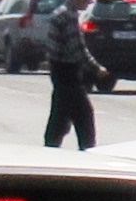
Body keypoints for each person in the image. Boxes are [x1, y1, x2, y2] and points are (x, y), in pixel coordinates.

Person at [42, 14, 113, 150]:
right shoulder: (69, 18)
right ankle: (87, 149)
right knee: (84, 115)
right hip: (68, 72)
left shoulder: (61, 14)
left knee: (60, 115)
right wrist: (96, 68)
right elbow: (78, 49)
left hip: (58, 70)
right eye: (87, 0)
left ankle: (50, 147)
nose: (87, 4)